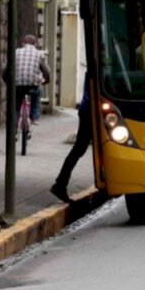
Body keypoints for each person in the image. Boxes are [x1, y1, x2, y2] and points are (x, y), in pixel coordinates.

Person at [50, 73, 91, 203]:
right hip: (91, 112)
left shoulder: (93, 69)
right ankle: (60, 184)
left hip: (88, 110)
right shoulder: (100, 69)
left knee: (79, 149)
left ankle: (60, 184)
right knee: (79, 149)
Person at [13, 34, 50, 132]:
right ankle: (33, 118)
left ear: (23, 43)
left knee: (16, 104)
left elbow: (5, 69)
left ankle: (15, 127)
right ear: (36, 44)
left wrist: (7, 81)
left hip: (18, 85)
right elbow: (46, 71)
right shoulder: (39, 54)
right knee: (37, 94)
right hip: (32, 85)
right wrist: (47, 80)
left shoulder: (16, 52)